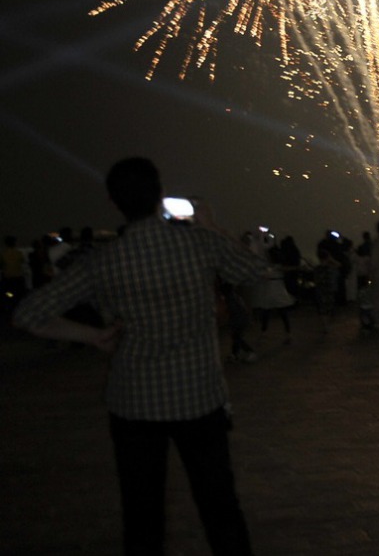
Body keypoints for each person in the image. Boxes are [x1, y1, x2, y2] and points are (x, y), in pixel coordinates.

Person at [13, 157, 263, 555]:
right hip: (199, 397)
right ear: (160, 195)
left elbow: (28, 315)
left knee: (142, 515)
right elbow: (252, 271)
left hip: (133, 403)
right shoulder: (199, 243)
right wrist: (211, 224)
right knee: (219, 507)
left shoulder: (102, 260)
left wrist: (92, 335)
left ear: (114, 202)